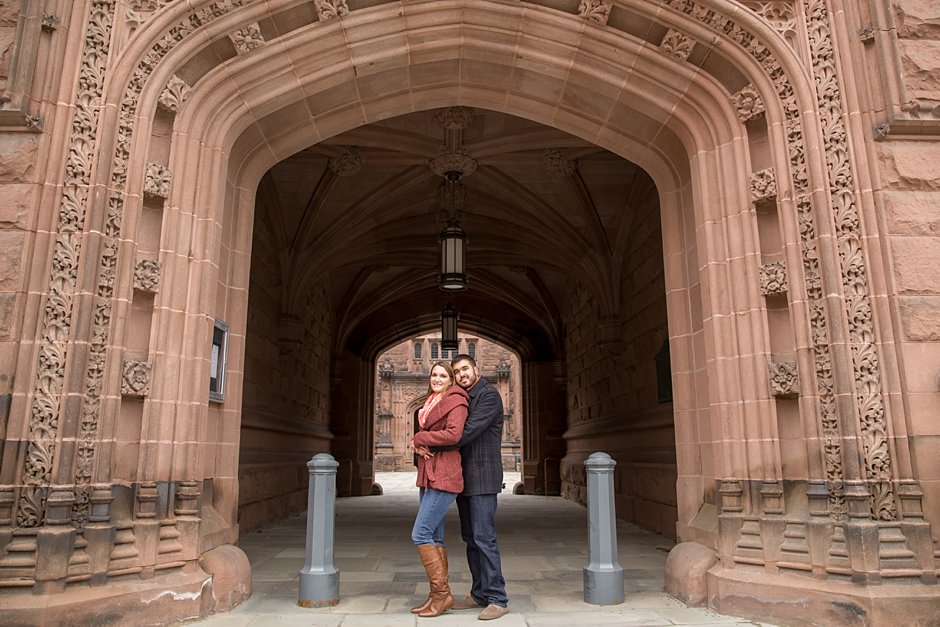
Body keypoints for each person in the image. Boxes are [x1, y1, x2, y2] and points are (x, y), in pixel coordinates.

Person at [418, 354, 509, 621]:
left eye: (465, 369)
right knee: (470, 538)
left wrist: (424, 439)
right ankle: (480, 592)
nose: (462, 374)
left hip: (482, 477)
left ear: (476, 369)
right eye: (457, 371)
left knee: (484, 538)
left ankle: (497, 597)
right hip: (464, 478)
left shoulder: (489, 396)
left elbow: (463, 433)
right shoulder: (463, 396)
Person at [408, 361, 468, 618]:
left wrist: (419, 438)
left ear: (451, 380)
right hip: (429, 475)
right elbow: (430, 434)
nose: (437, 378)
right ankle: (436, 596)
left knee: (420, 533)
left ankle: (442, 595)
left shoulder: (457, 401)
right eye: (434, 374)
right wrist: (416, 442)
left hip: (444, 474)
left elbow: (454, 435)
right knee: (436, 537)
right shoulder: (429, 403)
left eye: (443, 375)